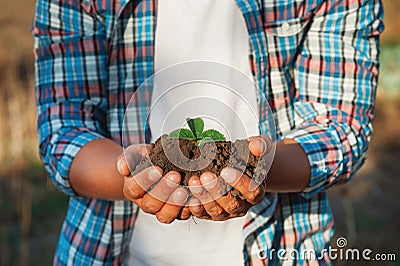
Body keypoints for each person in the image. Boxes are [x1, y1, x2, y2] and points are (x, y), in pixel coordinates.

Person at [32, 0, 383, 265]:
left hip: (285, 246)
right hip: (109, 249)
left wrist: (255, 169)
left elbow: (340, 129)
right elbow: (65, 129)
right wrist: (133, 175)